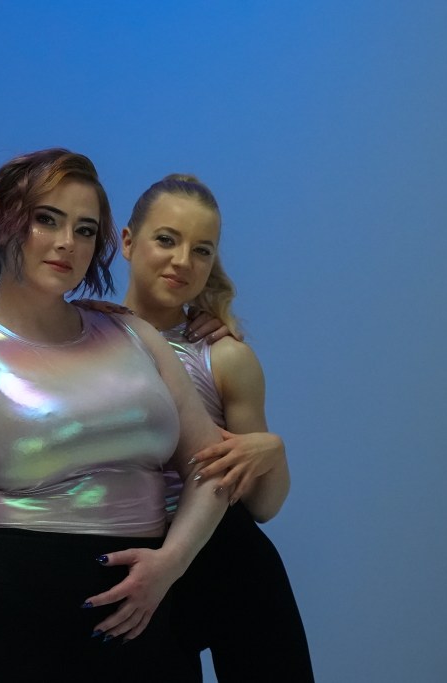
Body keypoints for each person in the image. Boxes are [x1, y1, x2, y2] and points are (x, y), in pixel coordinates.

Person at [0, 149, 229, 682]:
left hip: (141, 613)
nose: (67, 243)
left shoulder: (135, 335)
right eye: (47, 220)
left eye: (85, 230)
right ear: (5, 223)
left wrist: (171, 562)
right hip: (8, 626)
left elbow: (213, 466)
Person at [121, 174, 314, 681]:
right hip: (142, 562)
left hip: (229, 561)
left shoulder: (225, 356)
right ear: (127, 241)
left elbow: (264, 507)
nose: (183, 261)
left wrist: (272, 450)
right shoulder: (85, 336)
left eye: (202, 250)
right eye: (167, 239)